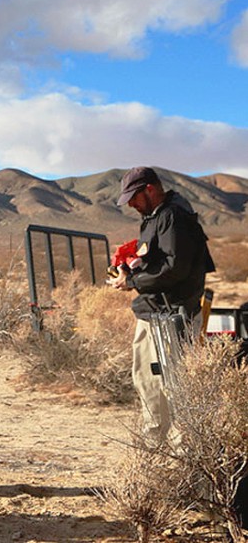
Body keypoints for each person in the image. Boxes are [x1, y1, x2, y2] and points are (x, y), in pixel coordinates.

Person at [107, 165, 215, 444]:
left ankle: (173, 453)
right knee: (149, 381)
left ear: (150, 189)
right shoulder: (157, 216)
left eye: (134, 197)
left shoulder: (172, 217)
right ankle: (160, 448)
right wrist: (131, 268)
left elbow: (174, 269)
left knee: (169, 386)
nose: (130, 204)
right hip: (157, 312)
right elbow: (162, 261)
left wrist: (132, 282)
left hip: (168, 317)